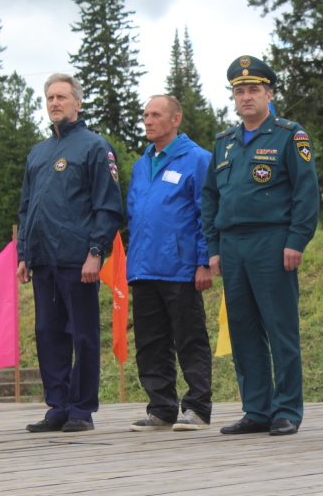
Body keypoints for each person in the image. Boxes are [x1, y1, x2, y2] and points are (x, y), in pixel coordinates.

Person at [201, 55, 320, 436]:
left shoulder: (289, 135)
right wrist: (214, 247)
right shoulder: (224, 143)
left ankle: (286, 409)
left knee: (279, 326)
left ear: (269, 94)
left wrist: (296, 239)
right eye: (239, 91)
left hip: (272, 242)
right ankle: (256, 409)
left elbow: (306, 192)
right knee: (242, 329)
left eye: (254, 90)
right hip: (232, 245)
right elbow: (210, 198)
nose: (246, 97)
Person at [17, 73, 123, 433]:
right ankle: (57, 407)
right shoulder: (38, 152)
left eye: (61, 97)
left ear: (78, 103)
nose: (54, 103)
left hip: (79, 261)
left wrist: (97, 251)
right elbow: (26, 208)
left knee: (83, 334)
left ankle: (81, 409)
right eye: (49, 98)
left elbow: (108, 206)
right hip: (42, 259)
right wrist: (23, 255)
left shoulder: (95, 146)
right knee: (47, 332)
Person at [126, 95, 214, 432]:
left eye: (156, 115)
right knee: (150, 342)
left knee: (190, 338)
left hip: (180, 266)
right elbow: (136, 214)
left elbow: (206, 213)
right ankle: (161, 408)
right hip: (143, 266)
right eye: (145, 115)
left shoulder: (197, 159)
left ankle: (197, 408)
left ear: (175, 120)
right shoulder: (140, 164)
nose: (148, 120)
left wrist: (203, 261)